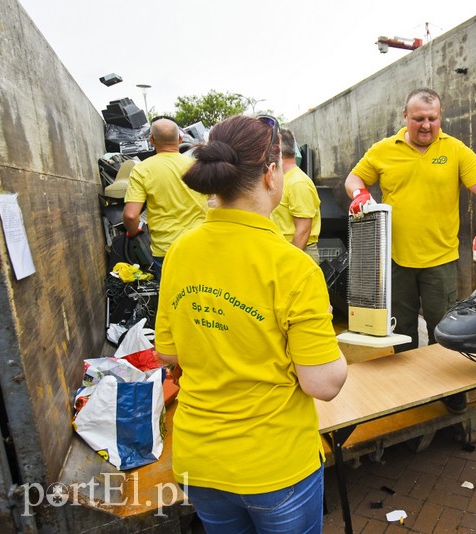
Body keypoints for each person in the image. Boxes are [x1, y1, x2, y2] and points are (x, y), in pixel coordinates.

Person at [154, 114, 348, 533]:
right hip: (274, 466)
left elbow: (168, 352)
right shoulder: (293, 267)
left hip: (199, 460)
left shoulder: (180, 252)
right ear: (271, 173)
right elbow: (324, 384)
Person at [344, 87, 476, 356]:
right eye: (419, 119)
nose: (427, 125)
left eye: (433, 118)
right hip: (396, 260)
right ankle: (411, 392)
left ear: (440, 117)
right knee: (400, 332)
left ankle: (448, 394)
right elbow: (354, 178)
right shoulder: (383, 150)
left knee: (444, 332)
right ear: (405, 116)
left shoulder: (455, 150)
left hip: (440, 262)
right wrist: (359, 193)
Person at [123, 118, 208, 274]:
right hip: (200, 245)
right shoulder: (198, 167)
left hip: (166, 250)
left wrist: (133, 232)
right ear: (180, 139)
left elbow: (130, 215)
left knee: (172, 297)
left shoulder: (142, 169)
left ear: (152, 140)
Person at [271, 128, 322, 263]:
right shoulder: (283, 179)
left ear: (277, 151)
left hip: (299, 254)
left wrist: (289, 262)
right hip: (284, 251)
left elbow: (303, 231)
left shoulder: (298, 182)